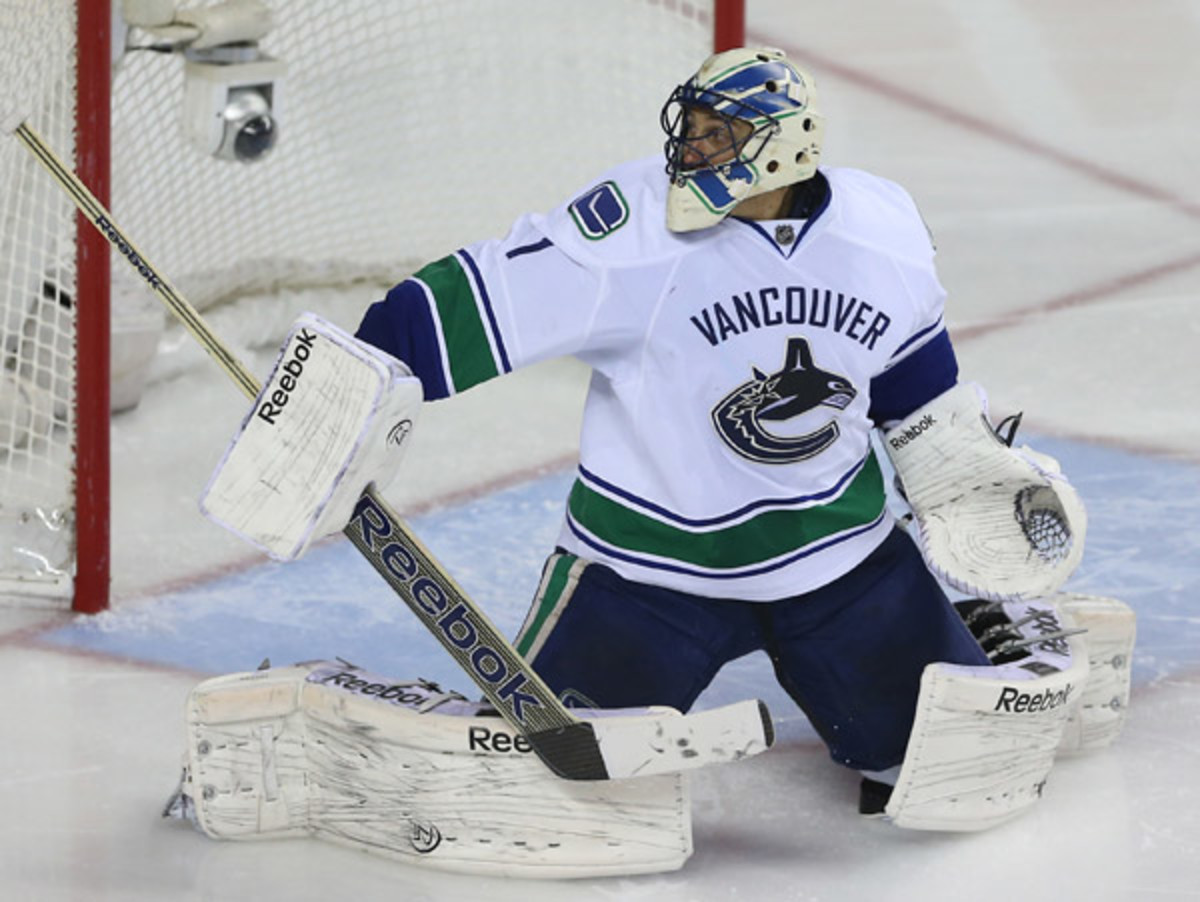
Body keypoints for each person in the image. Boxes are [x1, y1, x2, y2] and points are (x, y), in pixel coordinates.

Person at [352, 46, 993, 813]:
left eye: (716, 134)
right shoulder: (634, 230)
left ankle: (970, 642)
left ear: (786, 145)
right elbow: (485, 300)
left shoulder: (880, 229)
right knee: (546, 788)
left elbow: (911, 387)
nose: (690, 149)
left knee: (949, 767)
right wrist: (354, 371)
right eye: (690, 128)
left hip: (840, 564)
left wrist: (960, 470)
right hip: (646, 578)